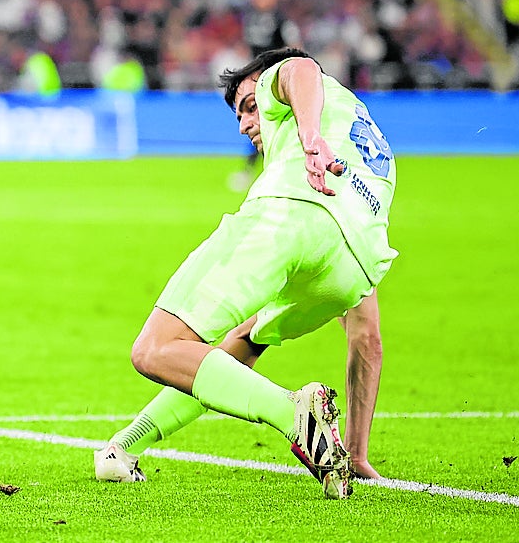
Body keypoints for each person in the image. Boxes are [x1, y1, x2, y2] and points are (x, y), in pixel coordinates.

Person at [94, 47, 396, 499]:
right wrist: (356, 452)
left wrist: (309, 137)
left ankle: (293, 414)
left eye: (249, 106)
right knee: (241, 343)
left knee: (155, 349)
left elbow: (300, 69)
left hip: (289, 217)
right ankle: (127, 445)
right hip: (351, 264)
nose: (244, 124)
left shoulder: (296, 90)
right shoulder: (359, 132)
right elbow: (367, 338)